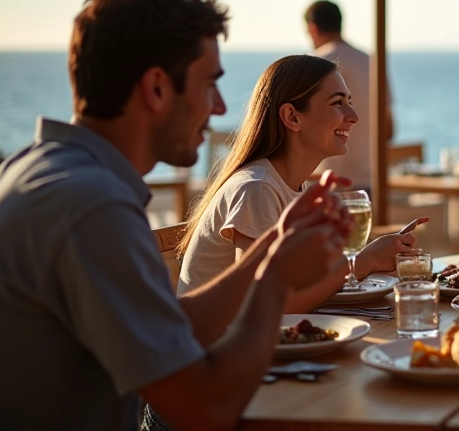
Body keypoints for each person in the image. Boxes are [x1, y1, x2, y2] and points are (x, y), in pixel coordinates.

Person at [0, 0, 354, 431]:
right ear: (157, 87)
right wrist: (274, 281)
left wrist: (272, 252)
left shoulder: (40, 171)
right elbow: (209, 414)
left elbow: (170, 323)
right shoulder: (90, 208)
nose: (219, 108)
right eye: (209, 85)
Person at [177, 53, 417, 310]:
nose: (354, 115)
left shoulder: (292, 187)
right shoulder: (256, 189)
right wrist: (364, 262)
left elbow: (293, 285)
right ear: (292, 117)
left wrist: (366, 258)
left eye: (349, 101)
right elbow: (259, 306)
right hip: (214, 347)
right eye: (338, 103)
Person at [305, 0, 392, 194]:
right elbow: (388, 129)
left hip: (325, 181)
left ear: (313, 28)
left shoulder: (314, 64)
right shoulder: (371, 62)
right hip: (369, 181)